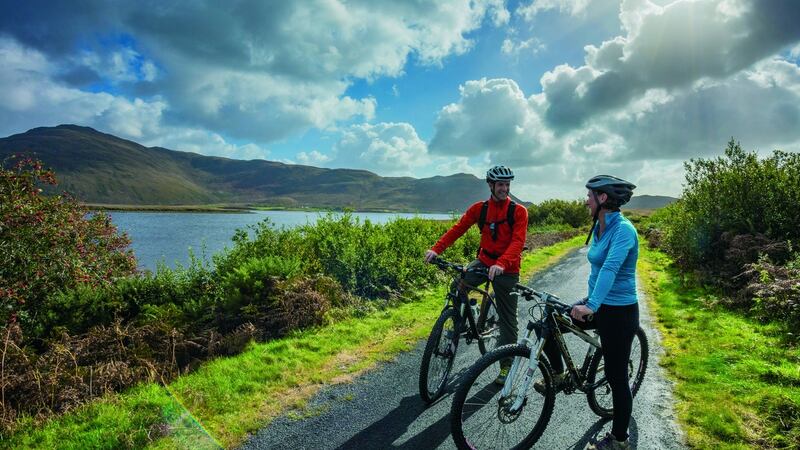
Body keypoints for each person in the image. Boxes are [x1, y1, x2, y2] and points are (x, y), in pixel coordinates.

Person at [551, 174, 638, 450]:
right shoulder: (599, 227)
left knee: (616, 377)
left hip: (620, 311)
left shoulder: (624, 230)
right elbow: (597, 270)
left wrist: (590, 306)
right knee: (551, 319)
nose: (586, 200)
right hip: (598, 302)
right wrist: (589, 301)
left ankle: (619, 439)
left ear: (602, 198)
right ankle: (559, 374)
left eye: (589, 195)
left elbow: (611, 269)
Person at [424, 165, 528, 384]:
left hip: (507, 268)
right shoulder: (479, 209)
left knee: (508, 319)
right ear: (490, 185)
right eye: (500, 184)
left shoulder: (518, 211)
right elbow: (457, 229)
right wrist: (436, 249)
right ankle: (461, 318)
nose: (505, 188)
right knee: (458, 284)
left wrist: (501, 264)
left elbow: (518, 242)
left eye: (507, 184)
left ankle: (506, 364)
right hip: (484, 260)